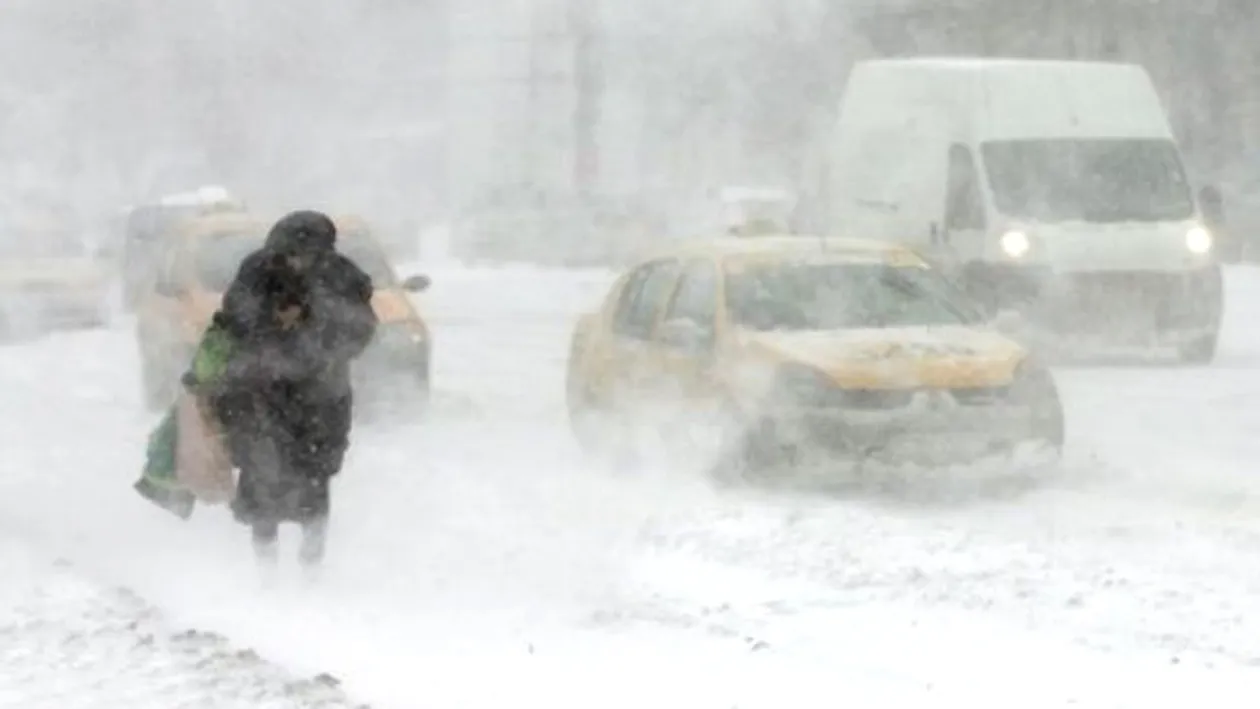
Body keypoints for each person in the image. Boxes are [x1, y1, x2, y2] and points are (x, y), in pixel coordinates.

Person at [187, 210, 378, 569]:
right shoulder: (257, 271)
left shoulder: (343, 277)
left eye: (304, 255)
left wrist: (317, 343)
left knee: (315, 480)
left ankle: (310, 568)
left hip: (321, 400)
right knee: (262, 478)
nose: (295, 262)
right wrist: (270, 328)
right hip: (260, 395)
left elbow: (360, 329)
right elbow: (232, 321)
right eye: (288, 255)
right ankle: (266, 570)